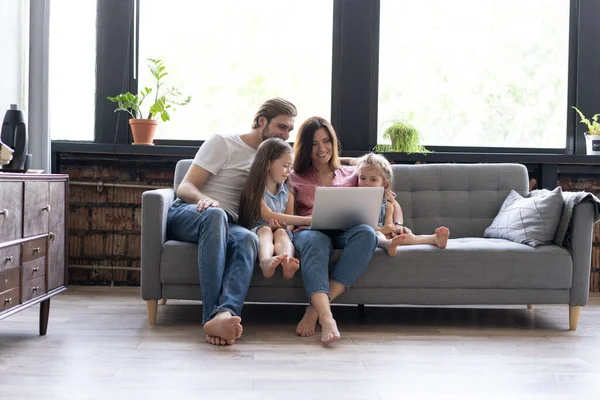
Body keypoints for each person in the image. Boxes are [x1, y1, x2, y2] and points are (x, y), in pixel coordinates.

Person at [167, 98, 297, 346]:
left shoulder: (272, 158)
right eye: (282, 127)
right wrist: (206, 201)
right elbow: (185, 186)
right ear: (261, 121)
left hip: (230, 224)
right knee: (217, 215)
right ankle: (211, 318)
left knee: (248, 237)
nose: (286, 134)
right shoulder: (224, 142)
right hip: (192, 212)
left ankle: (226, 313)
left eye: (290, 130)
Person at [290, 116, 378, 345]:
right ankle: (327, 318)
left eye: (326, 141)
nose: (322, 149)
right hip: (310, 230)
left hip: (345, 230)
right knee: (314, 242)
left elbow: (377, 170)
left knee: (367, 234)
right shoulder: (293, 177)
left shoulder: (352, 173)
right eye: (314, 143)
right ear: (304, 147)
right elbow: (290, 218)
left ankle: (314, 310)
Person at [238, 138, 311, 280]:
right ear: (267, 164)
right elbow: (267, 215)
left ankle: (287, 261)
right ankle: (265, 261)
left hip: (280, 230)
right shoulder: (254, 189)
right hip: (258, 229)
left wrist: (285, 226)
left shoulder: (287, 190)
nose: (289, 171)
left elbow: (290, 222)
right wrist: (307, 220)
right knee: (265, 230)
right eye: (285, 165)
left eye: (291, 166)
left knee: (282, 233)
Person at [356, 152, 450, 256]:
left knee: (407, 236)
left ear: (384, 183)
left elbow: (389, 222)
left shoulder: (387, 202)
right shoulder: (358, 200)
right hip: (370, 235)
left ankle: (434, 239)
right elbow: (360, 226)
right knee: (377, 234)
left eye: (373, 179)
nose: (366, 183)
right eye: (362, 178)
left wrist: (393, 229)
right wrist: (382, 230)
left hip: (386, 234)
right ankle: (388, 244)